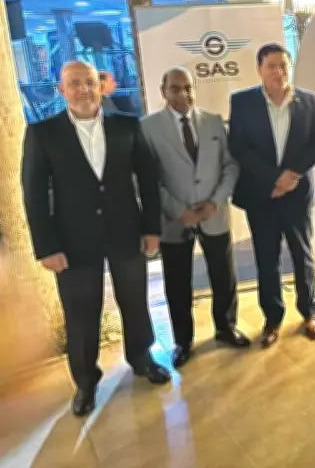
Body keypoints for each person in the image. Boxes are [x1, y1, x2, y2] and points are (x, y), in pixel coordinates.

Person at [21, 60, 169, 418]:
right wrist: (47, 247)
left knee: (134, 300)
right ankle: (86, 381)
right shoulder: (43, 133)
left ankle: (142, 357)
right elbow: (34, 193)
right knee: (81, 313)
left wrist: (151, 229)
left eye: (89, 82)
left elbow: (148, 179)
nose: (83, 89)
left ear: (101, 86)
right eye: (75, 83)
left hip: (126, 231)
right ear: (62, 90)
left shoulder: (127, 125)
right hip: (72, 241)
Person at [141, 67, 250, 368]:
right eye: (175, 88)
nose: (183, 94)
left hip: (214, 213)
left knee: (223, 275)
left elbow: (230, 166)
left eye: (188, 87)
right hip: (175, 219)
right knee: (177, 282)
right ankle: (182, 341)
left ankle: (226, 327)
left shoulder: (213, 122)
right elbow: (148, 179)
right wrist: (180, 211)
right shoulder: (148, 128)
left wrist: (216, 202)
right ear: (163, 91)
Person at [228, 43, 315, 348]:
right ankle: (272, 317)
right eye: (271, 66)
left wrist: (292, 174)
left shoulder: (309, 101)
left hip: (297, 192)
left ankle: (310, 311)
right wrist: (274, 178)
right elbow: (239, 146)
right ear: (259, 69)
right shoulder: (242, 102)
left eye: (283, 65)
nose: (278, 71)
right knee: (266, 259)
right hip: (261, 194)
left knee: (303, 256)